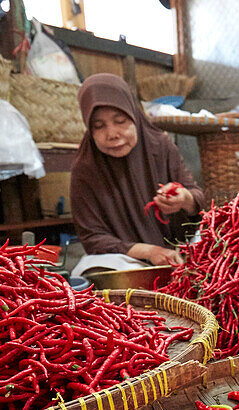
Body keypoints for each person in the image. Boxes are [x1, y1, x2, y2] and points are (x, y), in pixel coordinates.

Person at [70, 73, 204, 266]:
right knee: (87, 267)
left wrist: (184, 199)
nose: (112, 134)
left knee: (216, 239)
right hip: (129, 259)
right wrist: (150, 252)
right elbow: (93, 238)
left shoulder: (161, 146)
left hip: (179, 252)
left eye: (120, 121)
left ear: (134, 115)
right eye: (99, 126)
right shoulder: (85, 167)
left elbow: (198, 199)